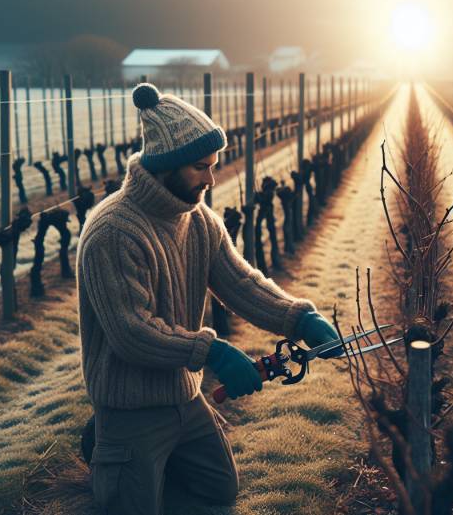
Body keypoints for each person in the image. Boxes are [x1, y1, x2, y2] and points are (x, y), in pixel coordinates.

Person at [78, 82, 341, 514]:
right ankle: (109, 449)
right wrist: (212, 350)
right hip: (131, 407)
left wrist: (299, 319)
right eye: (201, 167)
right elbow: (131, 332)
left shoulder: (199, 220)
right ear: (168, 166)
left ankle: (131, 468)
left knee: (219, 491)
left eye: (213, 165)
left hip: (184, 398)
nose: (211, 178)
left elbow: (241, 284)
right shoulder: (114, 231)